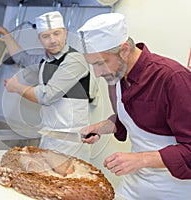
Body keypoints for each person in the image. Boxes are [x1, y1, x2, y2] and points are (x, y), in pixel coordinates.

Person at [77, 12, 191, 199]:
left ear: (124, 50)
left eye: (101, 63)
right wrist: (101, 127)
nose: (97, 74)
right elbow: (129, 119)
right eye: (92, 65)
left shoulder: (172, 79)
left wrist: (142, 159)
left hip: (174, 190)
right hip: (134, 185)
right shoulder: (116, 76)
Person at [0, 11, 92, 161]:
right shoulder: (45, 60)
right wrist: (4, 33)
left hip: (70, 143)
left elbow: (46, 96)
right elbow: (22, 58)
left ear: (65, 33)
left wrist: (17, 87)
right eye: (46, 36)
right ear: (40, 39)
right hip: (50, 137)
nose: (52, 40)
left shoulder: (74, 60)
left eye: (57, 33)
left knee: (66, 183)